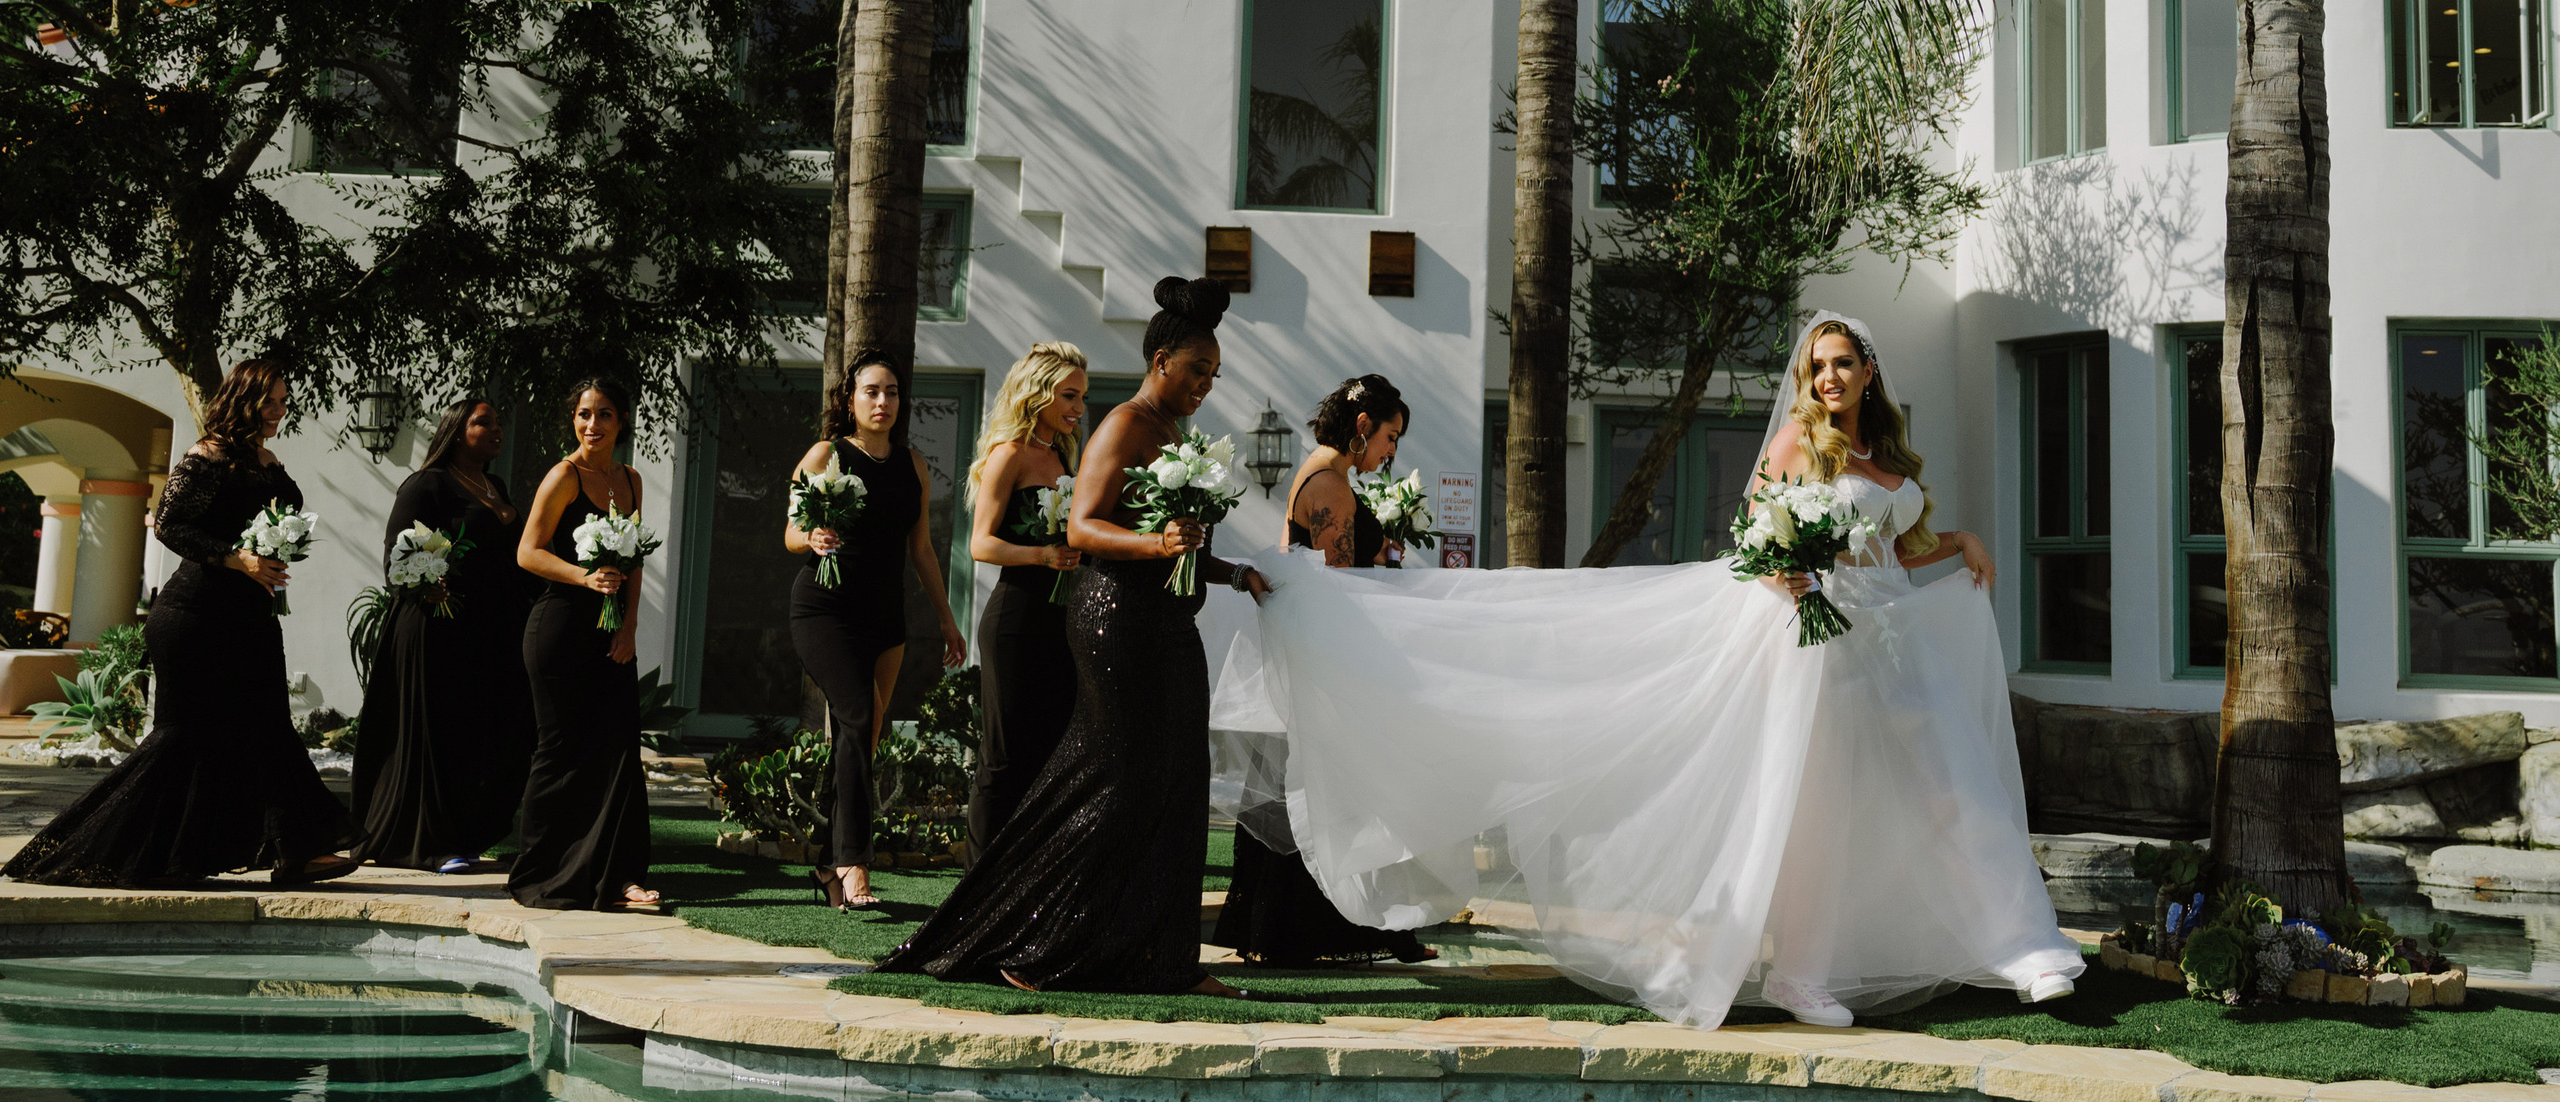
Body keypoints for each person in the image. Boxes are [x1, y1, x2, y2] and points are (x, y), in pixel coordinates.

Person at [1230, 311, 2083, 1028]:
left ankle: (2020, 941)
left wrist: (1958, 542)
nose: (1828, 376)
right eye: (1816, 365)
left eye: (1842, 363)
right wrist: (1783, 569)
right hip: (1821, 649)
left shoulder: (1889, 450)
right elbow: (1756, 539)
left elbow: (1897, 548)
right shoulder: (1794, 442)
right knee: (1814, 811)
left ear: (1869, 370)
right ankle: (1798, 970)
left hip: (1895, 643)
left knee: (1950, 785)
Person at [880, 276, 1268, 996]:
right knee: (1112, 786)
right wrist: (1159, 545)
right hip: (1117, 621)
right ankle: (1036, 942)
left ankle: (1164, 957)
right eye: (1197, 370)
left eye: (1214, 373)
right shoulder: (1125, 422)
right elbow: (1085, 528)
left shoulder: (1171, 433)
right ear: (1161, 363)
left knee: (1175, 785)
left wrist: (1233, 568)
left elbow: (1173, 540)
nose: (1206, 385)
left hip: (1166, 623)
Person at [5, 359, 358, 887]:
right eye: (271, 402)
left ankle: (296, 852)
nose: (280, 411)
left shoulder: (267, 460)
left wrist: (273, 551)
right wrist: (238, 558)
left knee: (269, 729)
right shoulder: (206, 456)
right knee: (183, 737)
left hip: (251, 616)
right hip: (195, 618)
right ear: (244, 400)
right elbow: (169, 525)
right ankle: (120, 854)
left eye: (284, 402)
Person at [1215, 374, 1435, 966]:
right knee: (1331, 790)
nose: (1392, 453)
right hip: (1328, 658)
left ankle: (1291, 927)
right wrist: (1385, 570)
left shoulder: (1317, 474)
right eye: (1390, 436)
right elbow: (1337, 586)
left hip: (1312, 649)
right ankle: (1309, 930)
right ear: (1363, 427)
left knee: (1317, 789)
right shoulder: (1331, 485)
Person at [786, 350, 967, 911]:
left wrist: (946, 619)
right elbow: (791, 534)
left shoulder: (912, 466)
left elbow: (922, 549)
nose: (883, 401)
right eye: (871, 391)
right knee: (858, 716)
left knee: (861, 738)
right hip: (825, 612)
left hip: (887, 617)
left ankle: (825, 862)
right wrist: (813, 539)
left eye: (891, 392)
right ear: (850, 399)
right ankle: (854, 863)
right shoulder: (825, 456)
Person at [351, 397, 539, 873]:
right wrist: (428, 586)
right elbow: (397, 560)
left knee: (491, 734)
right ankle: (431, 843)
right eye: (484, 422)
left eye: (497, 420)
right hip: (436, 629)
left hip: (490, 633)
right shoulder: (425, 485)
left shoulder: (494, 485)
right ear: (456, 432)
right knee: (443, 735)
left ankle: (469, 831)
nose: (497, 428)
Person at [509, 378, 658, 912]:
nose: (592, 426)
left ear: (621, 422)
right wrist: (583, 577)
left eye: (605, 415)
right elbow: (527, 552)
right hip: (558, 631)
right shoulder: (563, 476)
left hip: (612, 632)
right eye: (583, 415)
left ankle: (620, 875)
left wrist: (630, 626)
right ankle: (543, 873)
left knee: (619, 750)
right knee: (561, 753)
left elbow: (634, 561)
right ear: (573, 419)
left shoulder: (632, 480)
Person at [961, 342, 1089, 855]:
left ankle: (1026, 881)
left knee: (1050, 753)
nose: (1079, 408)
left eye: (1082, 397)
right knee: (1003, 759)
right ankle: (976, 894)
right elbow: (979, 544)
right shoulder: (1008, 454)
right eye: (1070, 396)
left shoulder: (1065, 451)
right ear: (1038, 393)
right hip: (1016, 619)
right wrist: (1042, 557)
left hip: (1062, 619)